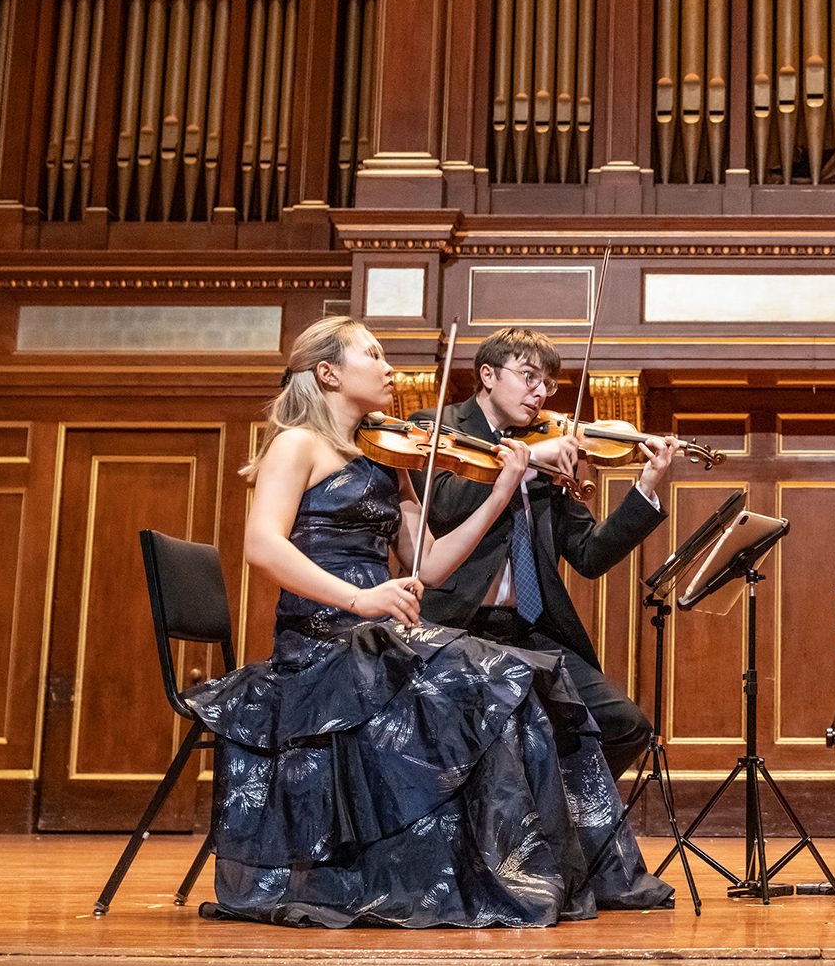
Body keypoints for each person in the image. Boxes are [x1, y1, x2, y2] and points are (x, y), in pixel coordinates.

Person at [184, 316, 672, 928]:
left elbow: (433, 565)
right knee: (496, 682)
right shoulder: (297, 444)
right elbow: (262, 546)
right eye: (375, 355)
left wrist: (502, 492)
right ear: (328, 373)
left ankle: (520, 869)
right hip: (323, 637)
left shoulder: (388, 458)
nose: (390, 368)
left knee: (521, 678)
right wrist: (360, 600)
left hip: (384, 631)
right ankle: (480, 870)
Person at [417, 326, 677, 783]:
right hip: (455, 625)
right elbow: (443, 503)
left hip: (530, 630)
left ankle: (554, 822)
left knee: (624, 726)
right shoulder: (438, 426)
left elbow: (590, 555)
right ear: (488, 375)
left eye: (548, 384)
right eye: (528, 377)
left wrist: (645, 488)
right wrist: (525, 464)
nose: (540, 393)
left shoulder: (547, 446)